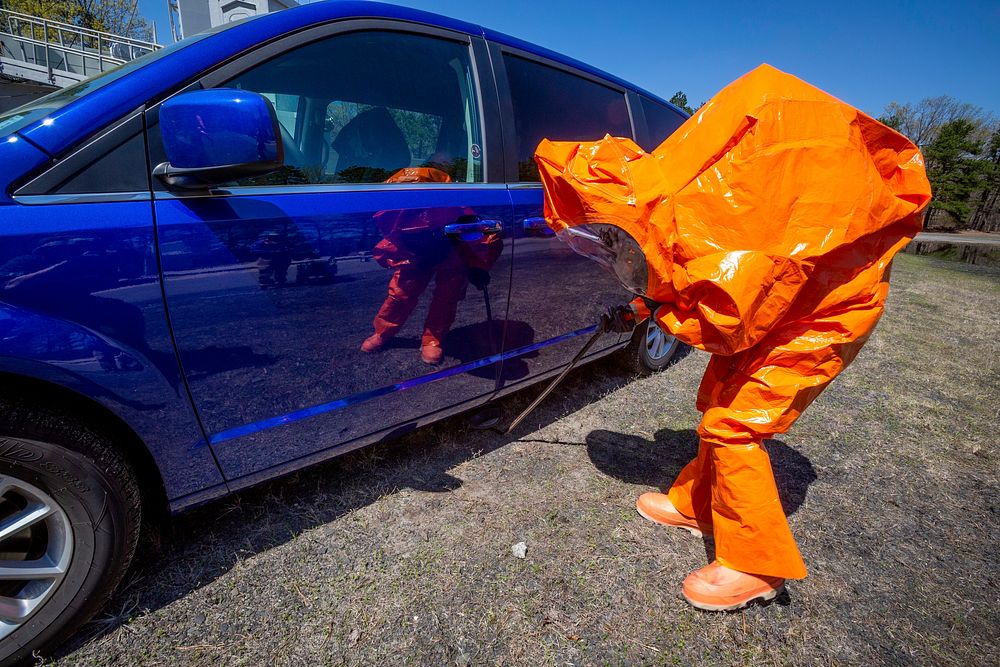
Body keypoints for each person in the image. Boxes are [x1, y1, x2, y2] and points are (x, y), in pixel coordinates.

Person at [535, 64, 931, 611]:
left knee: (735, 426)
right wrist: (649, 302)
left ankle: (755, 564)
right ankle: (696, 502)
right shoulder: (686, 204)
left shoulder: (715, 214)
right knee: (716, 402)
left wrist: (662, 311)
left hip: (819, 319)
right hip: (785, 307)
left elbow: (725, 321)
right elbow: (686, 268)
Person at [362, 167, 502, 364]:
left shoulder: (455, 205)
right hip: (414, 254)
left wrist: (477, 266)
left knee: (447, 296)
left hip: (450, 252)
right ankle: (383, 331)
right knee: (400, 294)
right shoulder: (392, 207)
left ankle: (432, 339)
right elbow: (391, 236)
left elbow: (475, 237)